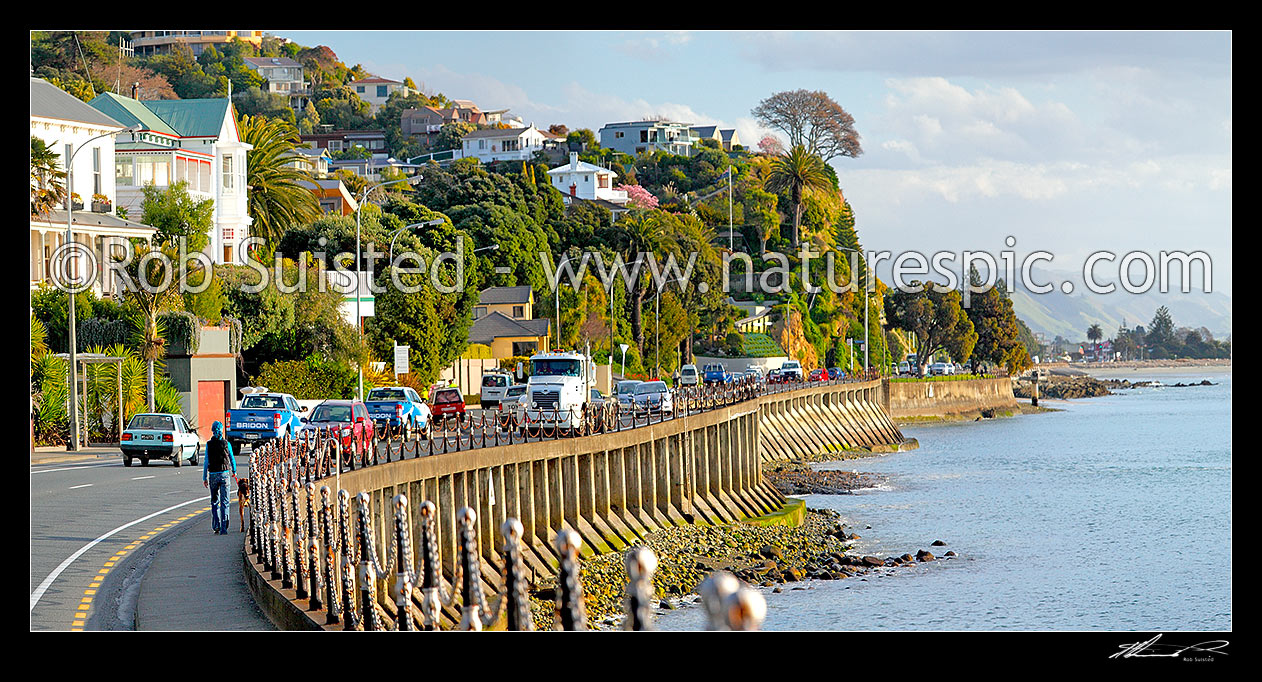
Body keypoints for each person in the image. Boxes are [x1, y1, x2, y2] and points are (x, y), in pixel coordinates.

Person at [203, 420, 237, 535]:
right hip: (224, 474)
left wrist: (204, 477)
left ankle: (216, 525)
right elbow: (231, 458)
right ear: (221, 430)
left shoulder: (208, 444)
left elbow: (206, 461)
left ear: (212, 431)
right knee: (225, 502)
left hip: (213, 475)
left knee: (214, 501)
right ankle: (224, 527)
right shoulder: (226, 444)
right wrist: (234, 471)